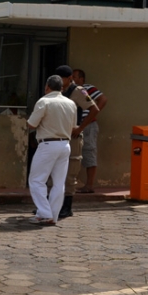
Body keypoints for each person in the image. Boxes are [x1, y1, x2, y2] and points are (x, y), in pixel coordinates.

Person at [27, 75, 77, 225]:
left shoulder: (44, 101)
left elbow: (31, 124)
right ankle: (52, 215)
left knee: (36, 180)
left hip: (48, 145)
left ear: (47, 87)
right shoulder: (70, 103)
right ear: (62, 88)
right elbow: (74, 126)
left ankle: (44, 213)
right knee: (59, 183)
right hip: (65, 145)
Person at [55, 65, 99, 218]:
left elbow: (94, 109)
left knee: (70, 173)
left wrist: (80, 128)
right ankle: (51, 205)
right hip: (58, 136)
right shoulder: (58, 91)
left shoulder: (79, 91)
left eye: (62, 79)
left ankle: (67, 207)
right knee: (53, 172)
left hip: (72, 137)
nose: (60, 82)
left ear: (69, 79)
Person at [73, 69, 108, 194]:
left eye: (75, 77)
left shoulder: (85, 89)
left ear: (82, 79)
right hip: (74, 126)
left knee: (89, 152)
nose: (73, 79)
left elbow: (103, 99)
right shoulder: (70, 90)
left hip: (88, 125)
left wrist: (92, 114)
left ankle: (89, 185)